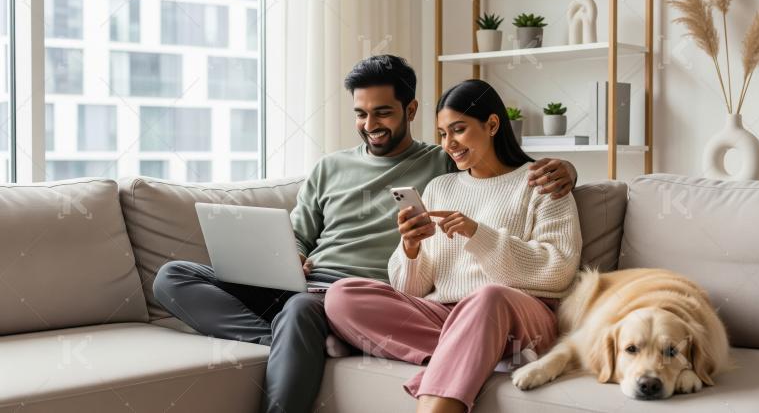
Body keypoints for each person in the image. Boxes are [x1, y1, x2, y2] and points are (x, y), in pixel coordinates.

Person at [152, 55, 579, 413]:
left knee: (308, 308)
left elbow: (513, 192)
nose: (369, 123)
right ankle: (293, 337)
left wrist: (567, 170)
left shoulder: (441, 166)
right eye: (361, 113)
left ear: (410, 112)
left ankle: (312, 333)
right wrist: (405, 249)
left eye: (382, 112)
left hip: (484, 306)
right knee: (173, 276)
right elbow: (311, 238)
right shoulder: (352, 171)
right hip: (315, 285)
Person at [324, 79, 583, 413]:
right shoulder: (440, 187)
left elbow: (558, 271)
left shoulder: (540, 182)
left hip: (519, 313)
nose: (449, 144)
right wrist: (411, 249)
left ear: (492, 124)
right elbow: (411, 290)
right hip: (445, 313)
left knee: (487, 297)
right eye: (442, 134)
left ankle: (445, 391)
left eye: (458, 130)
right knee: (343, 296)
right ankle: (476, 352)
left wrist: (479, 234)